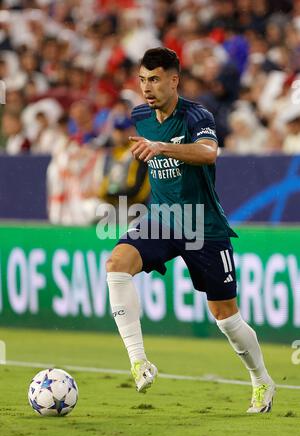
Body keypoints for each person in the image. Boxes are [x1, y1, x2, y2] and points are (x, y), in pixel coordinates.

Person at [106, 47, 275, 413]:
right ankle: (139, 361)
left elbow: (209, 152)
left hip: (203, 224)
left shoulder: (197, 115)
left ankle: (261, 379)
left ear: (173, 79)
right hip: (161, 219)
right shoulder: (139, 116)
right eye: (142, 80)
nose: (147, 87)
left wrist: (162, 147)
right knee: (117, 264)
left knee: (227, 318)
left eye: (154, 79)